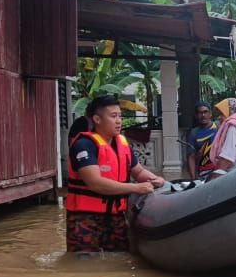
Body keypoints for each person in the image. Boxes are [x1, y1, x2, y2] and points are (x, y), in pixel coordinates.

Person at [65, 94, 165, 252]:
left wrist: (155, 179)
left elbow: (138, 171)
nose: (119, 121)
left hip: (116, 216)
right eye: (113, 116)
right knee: (83, 263)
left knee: (120, 259)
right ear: (97, 119)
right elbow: (95, 183)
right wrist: (136, 188)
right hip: (85, 218)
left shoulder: (122, 144)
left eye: (119, 116)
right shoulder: (84, 145)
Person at [185, 100, 219, 178]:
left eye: (205, 112)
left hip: (220, 171)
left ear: (210, 114)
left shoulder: (219, 127)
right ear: (196, 115)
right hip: (203, 173)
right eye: (200, 113)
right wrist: (193, 178)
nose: (203, 115)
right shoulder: (193, 133)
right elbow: (191, 157)